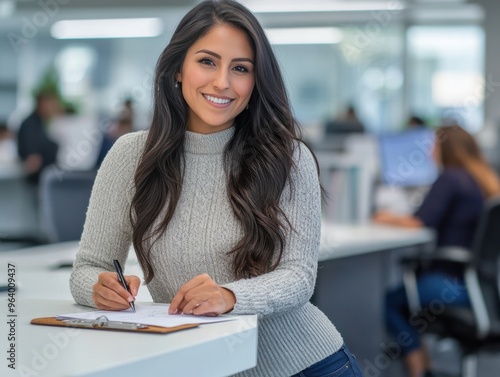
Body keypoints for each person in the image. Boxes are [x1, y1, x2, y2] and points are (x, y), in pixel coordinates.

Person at [70, 1, 363, 376]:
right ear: (178, 68)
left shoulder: (287, 157)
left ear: (256, 82)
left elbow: (299, 278)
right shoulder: (130, 156)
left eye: (240, 69)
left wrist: (229, 296)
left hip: (305, 366)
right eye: (207, 61)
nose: (222, 82)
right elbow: (88, 267)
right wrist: (99, 287)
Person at [374, 124, 500, 377]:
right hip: (480, 288)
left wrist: (383, 217)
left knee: (392, 302)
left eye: (434, 144)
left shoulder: (451, 177)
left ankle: (418, 369)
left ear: (447, 147)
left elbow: (419, 222)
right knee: (407, 300)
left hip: (448, 285)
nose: (430, 151)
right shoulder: (483, 180)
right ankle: (425, 366)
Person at [17, 90, 62, 183]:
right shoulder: (32, 125)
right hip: (38, 183)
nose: (55, 107)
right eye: (52, 104)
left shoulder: (38, 123)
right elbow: (33, 161)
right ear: (42, 104)